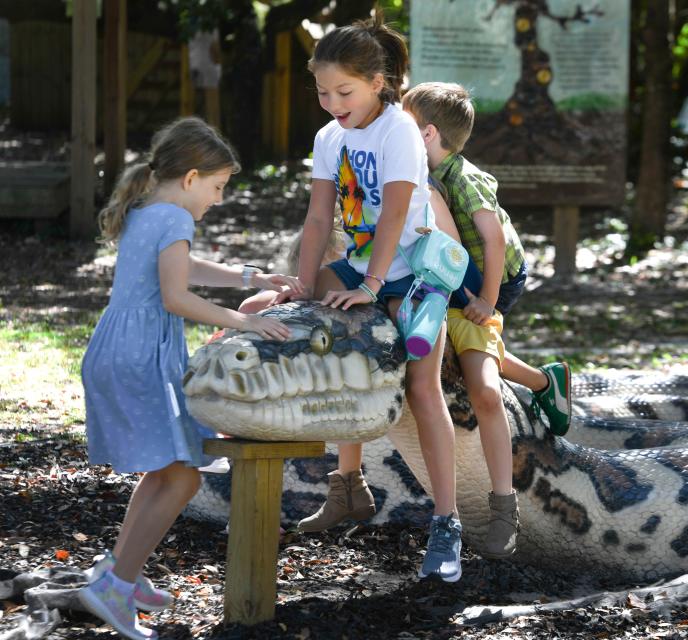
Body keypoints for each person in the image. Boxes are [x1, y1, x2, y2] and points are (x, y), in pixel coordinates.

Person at [78, 116, 303, 640]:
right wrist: (245, 319)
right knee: (182, 476)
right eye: (218, 187)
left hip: (119, 349)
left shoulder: (147, 209)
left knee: (164, 470)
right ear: (191, 177)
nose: (218, 200)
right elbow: (177, 296)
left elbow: (181, 270)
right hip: (140, 357)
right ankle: (115, 586)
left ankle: (117, 573)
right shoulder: (175, 219)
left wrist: (251, 278)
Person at [284, 11, 464, 583]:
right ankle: (348, 486)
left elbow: (392, 218)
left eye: (344, 91)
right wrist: (302, 282)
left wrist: (367, 287)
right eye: (322, 91)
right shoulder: (329, 136)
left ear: (378, 84)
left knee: (421, 386)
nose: (333, 102)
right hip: (363, 266)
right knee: (309, 328)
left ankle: (446, 523)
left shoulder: (399, 131)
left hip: (411, 270)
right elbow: (317, 218)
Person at [401, 81, 572, 558]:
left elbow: (493, 241)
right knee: (472, 352)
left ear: (428, 133)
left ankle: (504, 506)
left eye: (405, 125)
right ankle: (543, 381)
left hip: (491, 280)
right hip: (458, 281)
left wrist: (488, 302)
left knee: (482, 386)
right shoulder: (419, 172)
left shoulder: (462, 178)